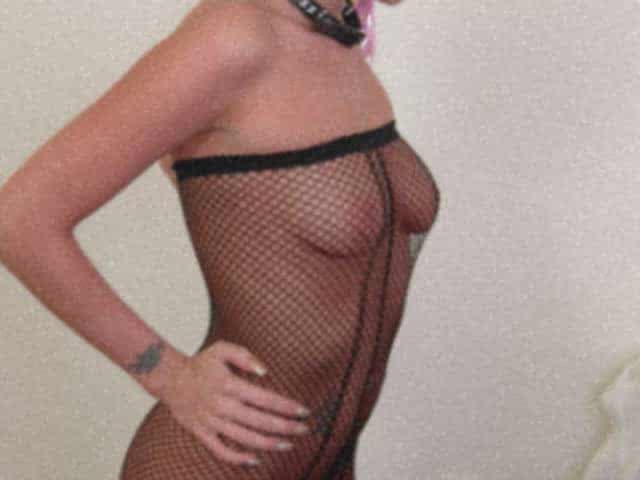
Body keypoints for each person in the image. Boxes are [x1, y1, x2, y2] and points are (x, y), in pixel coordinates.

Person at [0, 0, 440, 478]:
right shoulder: (235, 34)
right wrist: (168, 375)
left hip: (327, 462)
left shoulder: (339, 36)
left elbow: (214, 167)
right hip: (220, 464)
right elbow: (19, 219)